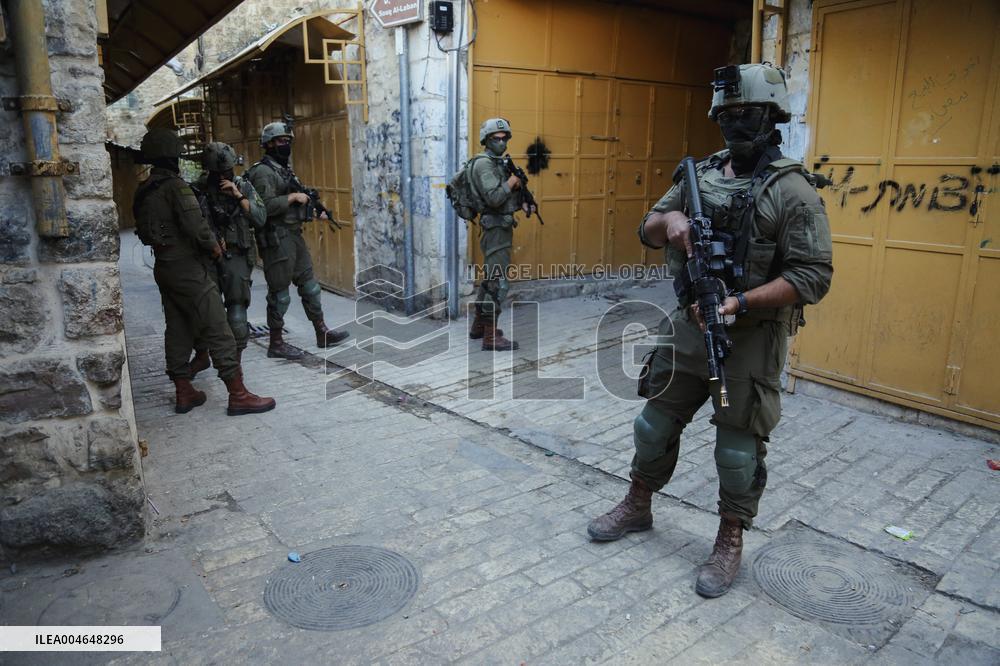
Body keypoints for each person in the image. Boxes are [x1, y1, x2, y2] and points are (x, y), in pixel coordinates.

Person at [586, 63, 833, 598]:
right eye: (725, 115)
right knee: (652, 426)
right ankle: (637, 504)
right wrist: (671, 224)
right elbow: (647, 227)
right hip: (688, 326)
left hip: (749, 340)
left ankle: (729, 539)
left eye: (744, 114)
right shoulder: (700, 175)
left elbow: (813, 276)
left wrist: (739, 302)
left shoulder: (793, 191)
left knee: (738, 453)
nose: (733, 124)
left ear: (771, 117)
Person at [132, 128, 276, 416]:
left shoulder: (144, 189)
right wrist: (214, 249)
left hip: (165, 265)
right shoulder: (177, 187)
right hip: (189, 266)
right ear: (172, 155)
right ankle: (238, 394)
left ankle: (183, 390)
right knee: (218, 327)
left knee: (178, 326)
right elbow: (197, 227)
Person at [246, 120, 349, 359]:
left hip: (293, 235)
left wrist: (314, 212)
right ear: (269, 144)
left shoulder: (283, 169)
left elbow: (296, 203)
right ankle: (276, 342)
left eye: (288, 141)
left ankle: (321, 331)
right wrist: (292, 197)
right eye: (282, 141)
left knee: (310, 286)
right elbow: (264, 207)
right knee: (280, 293)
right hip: (276, 238)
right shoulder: (262, 172)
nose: (286, 145)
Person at [188, 142, 266, 374]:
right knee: (204, 309)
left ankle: (235, 363)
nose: (223, 176)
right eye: (218, 173)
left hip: (237, 255)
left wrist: (238, 195)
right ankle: (202, 355)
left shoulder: (243, 186)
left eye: (227, 172)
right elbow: (192, 223)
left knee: (236, 309)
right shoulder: (198, 190)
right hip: (208, 257)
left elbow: (260, 218)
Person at [468, 118, 535, 351]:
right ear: (486, 140)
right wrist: (512, 181)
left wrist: (522, 203)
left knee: (489, 280)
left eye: (505, 137)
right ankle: (490, 337)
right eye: (496, 138)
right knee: (498, 283)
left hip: (501, 226)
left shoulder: (497, 162)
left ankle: (479, 327)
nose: (502, 142)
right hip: (495, 230)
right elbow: (494, 198)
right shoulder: (483, 165)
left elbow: (504, 199)